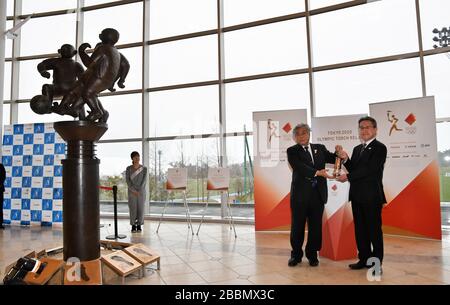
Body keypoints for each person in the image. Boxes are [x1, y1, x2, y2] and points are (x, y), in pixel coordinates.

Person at [336, 116, 387, 273]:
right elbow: (354, 169)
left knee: (374, 232)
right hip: (357, 196)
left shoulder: (380, 148)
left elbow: (370, 170)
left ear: (375, 129)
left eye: (367, 127)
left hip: (372, 197)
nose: (364, 130)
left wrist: (348, 177)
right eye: (361, 128)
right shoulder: (358, 149)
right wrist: (345, 159)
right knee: (360, 231)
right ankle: (363, 259)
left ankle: (376, 264)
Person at [287, 123, 336, 267]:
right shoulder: (292, 151)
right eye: (298, 134)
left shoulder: (319, 148)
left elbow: (333, 158)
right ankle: (296, 255)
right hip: (300, 196)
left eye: (304, 133)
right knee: (297, 226)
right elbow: (299, 167)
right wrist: (317, 172)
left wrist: (339, 153)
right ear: (295, 137)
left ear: (309, 134)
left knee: (315, 227)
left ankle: (312, 254)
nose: (301, 136)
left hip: (318, 195)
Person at [125, 151, 147, 233]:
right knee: (133, 208)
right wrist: (133, 190)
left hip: (141, 192)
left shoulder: (144, 168)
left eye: (138, 157)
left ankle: (139, 225)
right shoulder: (128, 169)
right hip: (132, 192)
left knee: (141, 209)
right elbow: (127, 180)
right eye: (135, 157)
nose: (137, 158)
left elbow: (144, 181)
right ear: (132, 158)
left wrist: (139, 190)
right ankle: (133, 225)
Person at [0, 162, 5, 229]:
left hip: (0, 189)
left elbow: (4, 176)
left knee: (0, 207)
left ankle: (0, 223)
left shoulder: (1, 166)